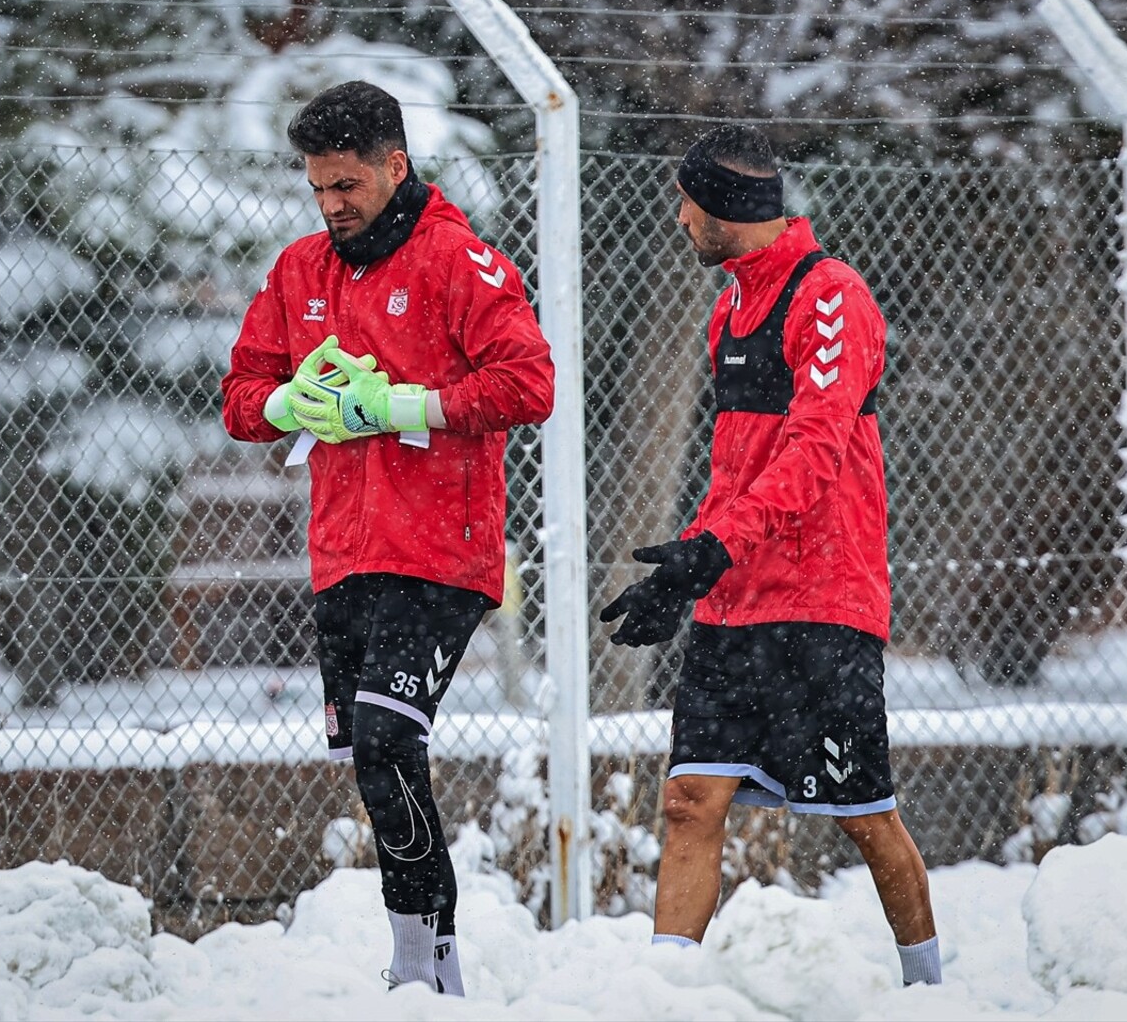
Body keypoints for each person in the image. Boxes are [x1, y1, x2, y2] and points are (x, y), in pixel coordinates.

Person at [221, 80, 554, 994]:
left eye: (347, 186)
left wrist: (410, 403)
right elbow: (241, 398)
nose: (331, 206)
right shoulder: (298, 270)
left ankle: (429, 976)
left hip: (442, 551)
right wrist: (292, 403)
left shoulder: (460, 260)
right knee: (373, 764)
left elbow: (530, 382)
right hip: (344, 553)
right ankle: (418, 964)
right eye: (318, 188)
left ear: (394, 165)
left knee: (384, 744)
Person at [600, 124, 941, 986]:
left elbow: (814, 450)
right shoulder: (730, 303)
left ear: (724, 207)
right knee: (688, 801)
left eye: (688, 201)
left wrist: (716, 545)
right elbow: (737, 467)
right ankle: (665, 993)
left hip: (823, 601)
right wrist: (688, 573)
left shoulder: (830, 294)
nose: (679, 217)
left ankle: (931, 986)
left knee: (866, 818)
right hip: (732, 600)